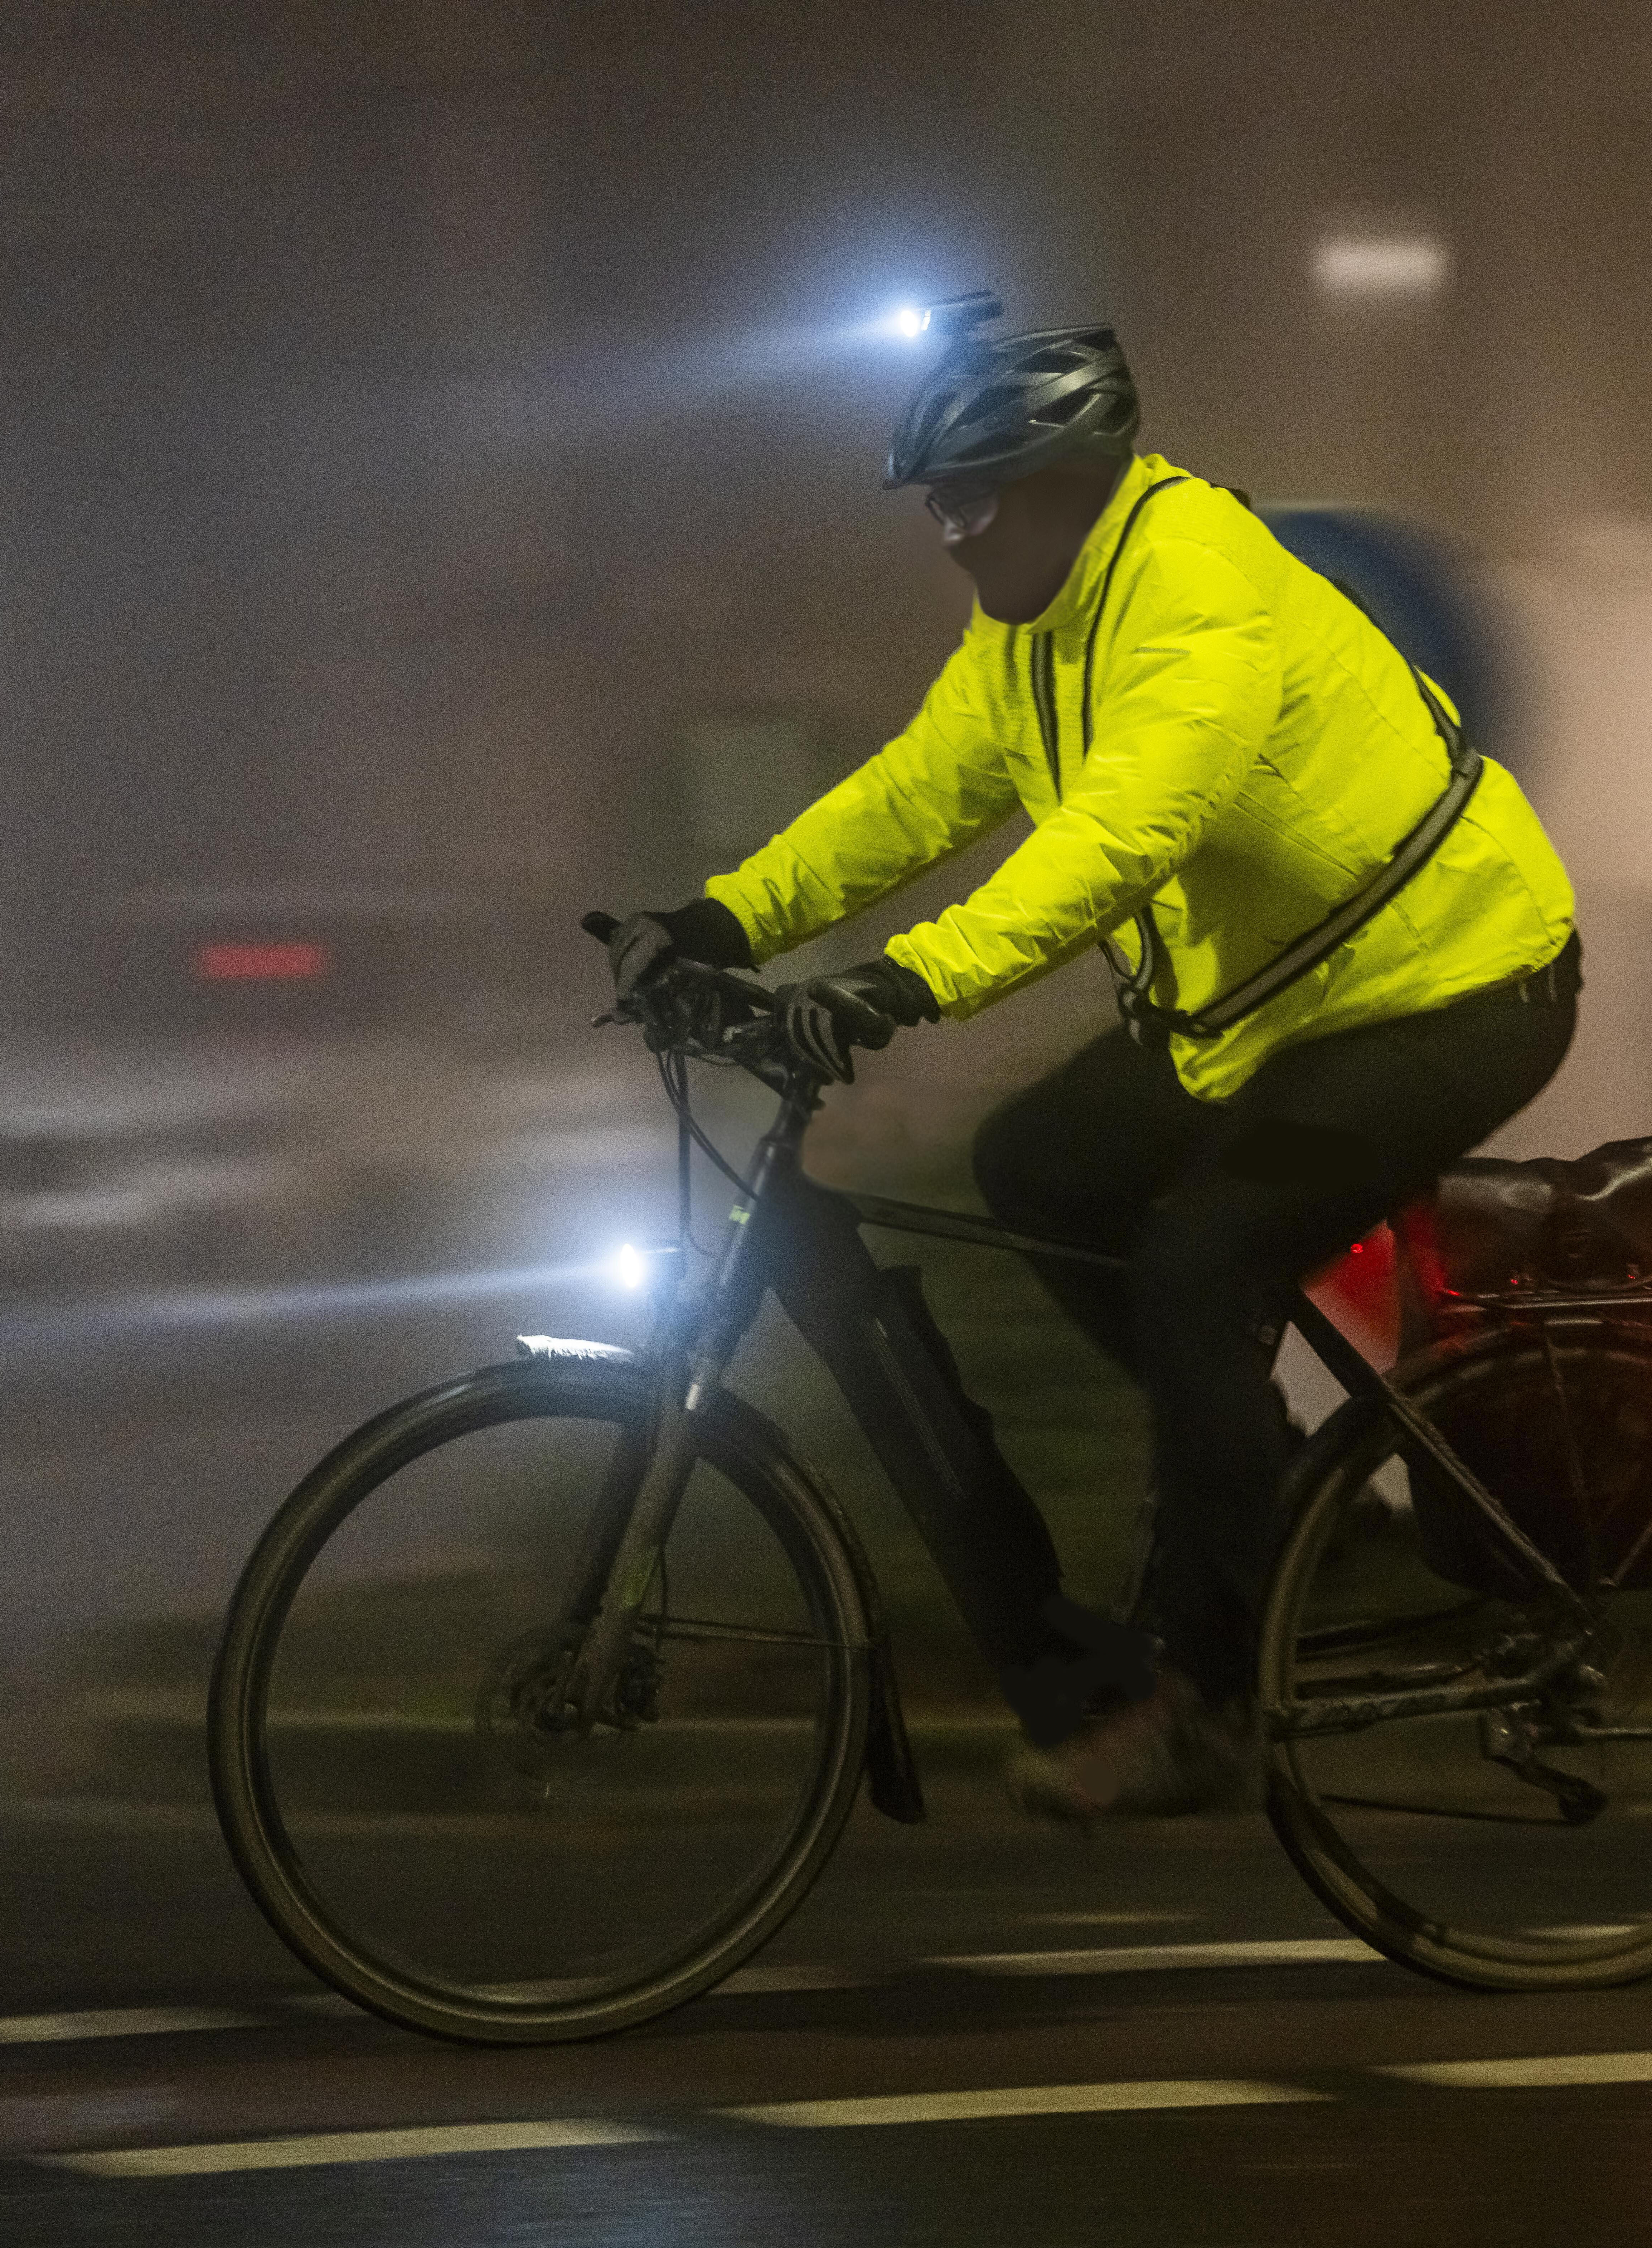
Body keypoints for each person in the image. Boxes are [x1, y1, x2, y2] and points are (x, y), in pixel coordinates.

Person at [601, 297, 1579, 1822]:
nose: (946, 538)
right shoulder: (1034, 625)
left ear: (1064, 482)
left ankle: (1214, 1702)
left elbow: (1121, 838)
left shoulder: (1197, 592)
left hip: (1454, 989)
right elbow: (919, 792)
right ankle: (1270, 1482)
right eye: (934, 505)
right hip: (1279, 1012)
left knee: (1197, 1261)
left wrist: (907, 982)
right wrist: (724, 919)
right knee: (1035, 1166)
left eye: (968, 502)